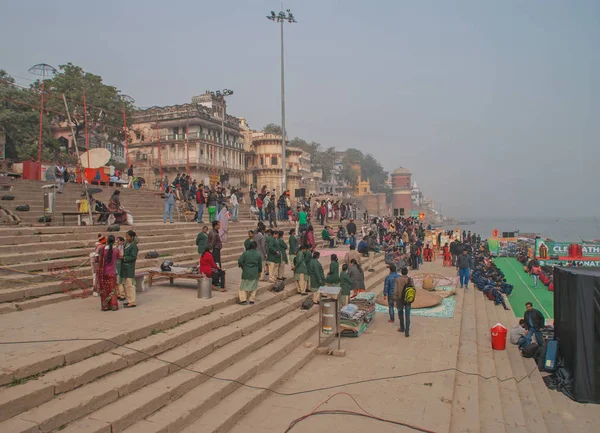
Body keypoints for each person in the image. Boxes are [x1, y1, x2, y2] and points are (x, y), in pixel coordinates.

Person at [98, 235, 121, 311]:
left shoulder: (103, 249)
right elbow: (120, 257)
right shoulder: (116, 250)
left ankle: (105, 306)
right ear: (114, 241)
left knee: (105, 289)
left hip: (104, 272)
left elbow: (98, 259)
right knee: (112, 289)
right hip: (113, 272)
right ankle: (113, 305)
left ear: (107, 241)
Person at [237, 241, 262, 305]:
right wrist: (259, 273)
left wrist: (242, 266)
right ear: (256, 247)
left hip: (246, 271)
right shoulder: (258, 255)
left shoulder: (245, 253)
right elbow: (260, 266)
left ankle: (243, 300)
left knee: (243, 286)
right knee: (253, 287)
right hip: (255, 272)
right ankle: (252, 300)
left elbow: (240, 261)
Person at [120, 230, 138, 308]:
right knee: (126, 285)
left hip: (129, 267)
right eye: (126, 236)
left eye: (127, 236)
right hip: (124, 267)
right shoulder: (126, 244)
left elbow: (133, 257)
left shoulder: (134, 246)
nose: (126, 238)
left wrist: (124, 258)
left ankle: (132, 301)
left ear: (132, 237)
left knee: (130, 285)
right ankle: (128, 300)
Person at [394, 267, 412, 337]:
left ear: (401, 272)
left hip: (400, 299)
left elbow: (395, 291)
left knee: (400, 313)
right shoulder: (410, 279)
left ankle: (402, 328)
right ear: (407, 272)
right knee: (407, 315)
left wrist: (395, 299)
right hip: (408, 299)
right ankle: (407, 331)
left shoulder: (398, 280)